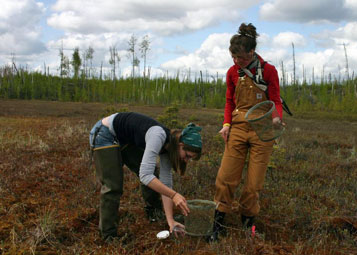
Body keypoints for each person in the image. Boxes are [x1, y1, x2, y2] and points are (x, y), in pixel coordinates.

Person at [209, 23, 283, 241]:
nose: (236, 62)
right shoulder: (232, 72)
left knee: (254, 184)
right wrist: (226, 124)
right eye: (233, 57)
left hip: (262, 132)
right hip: (238, 129)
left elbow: (275, 99)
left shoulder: (269, 71)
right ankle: (218, 224)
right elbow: (229, 101)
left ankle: (248, 225)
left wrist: (277, 117)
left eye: (240, 58)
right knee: (225, 178)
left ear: (251, 52)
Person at [89, 112, 202, 240]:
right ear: (180, 145)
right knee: (113, 186)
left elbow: (166, 184)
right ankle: (108, 236)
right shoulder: (158, 135)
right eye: (187, 156)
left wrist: (171, 221)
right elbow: (145, 176)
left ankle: (154, 213)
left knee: (152, 174)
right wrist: (174, 195)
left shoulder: (169, 147)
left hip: (124, 139)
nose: (186, 160)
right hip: (104, 134)